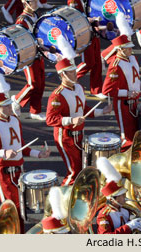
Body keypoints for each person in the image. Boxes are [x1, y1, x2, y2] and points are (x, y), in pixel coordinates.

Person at [0, 91, 51, 233]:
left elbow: (21, 146)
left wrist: (39, 154)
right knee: (11, 209)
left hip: (19, 170)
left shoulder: (14, 120)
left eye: (9, 105)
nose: (9, 107)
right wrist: (3, 153)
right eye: (5, 106)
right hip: (4, 173)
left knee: (20, 208)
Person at [46, 58, 112, 186]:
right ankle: (62, 199)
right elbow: (50, 119)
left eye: (74, 71)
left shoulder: (78, 88)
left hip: (79, 134)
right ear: (62, 75)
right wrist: (72, 120)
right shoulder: (57, 96)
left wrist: (102, 111)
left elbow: (83, 109)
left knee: (83, 167)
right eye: (71, 72)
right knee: (73, 172)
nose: (75, 74)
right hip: (65, 137)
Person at [102, 35, 141, 152]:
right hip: (123, 104)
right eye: (128, 48)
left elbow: (134, 81)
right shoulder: (115, 66)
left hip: (134, 102)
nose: (131, 50)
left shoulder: (132, 58)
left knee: (136, 133)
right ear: (120, 49)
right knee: (127, 137)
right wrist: (127, 93)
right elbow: (107, 90)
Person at [11, 0, 47, 121]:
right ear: (26, 3)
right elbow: (20, 40)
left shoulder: (35, 15)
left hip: (38, 54)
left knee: (41, 84)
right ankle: (17, 99)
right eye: (33, 1)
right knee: (33, 83)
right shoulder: (22, 20)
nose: (37, 3)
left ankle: (35, 111)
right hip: (29, 56)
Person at [96, 157, 141, 234]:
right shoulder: (104, 216)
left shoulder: (126, 210)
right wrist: (128, 227)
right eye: (122, 195)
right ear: (112, 199)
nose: (125, 197)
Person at [68, 0, 104, 98]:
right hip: (84, 34)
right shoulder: (73, 1)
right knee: (88, 63)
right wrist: (91, 20)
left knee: (97, 63)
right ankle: (69, 76)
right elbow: (73, 18)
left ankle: (97, 89)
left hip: (93, 32)